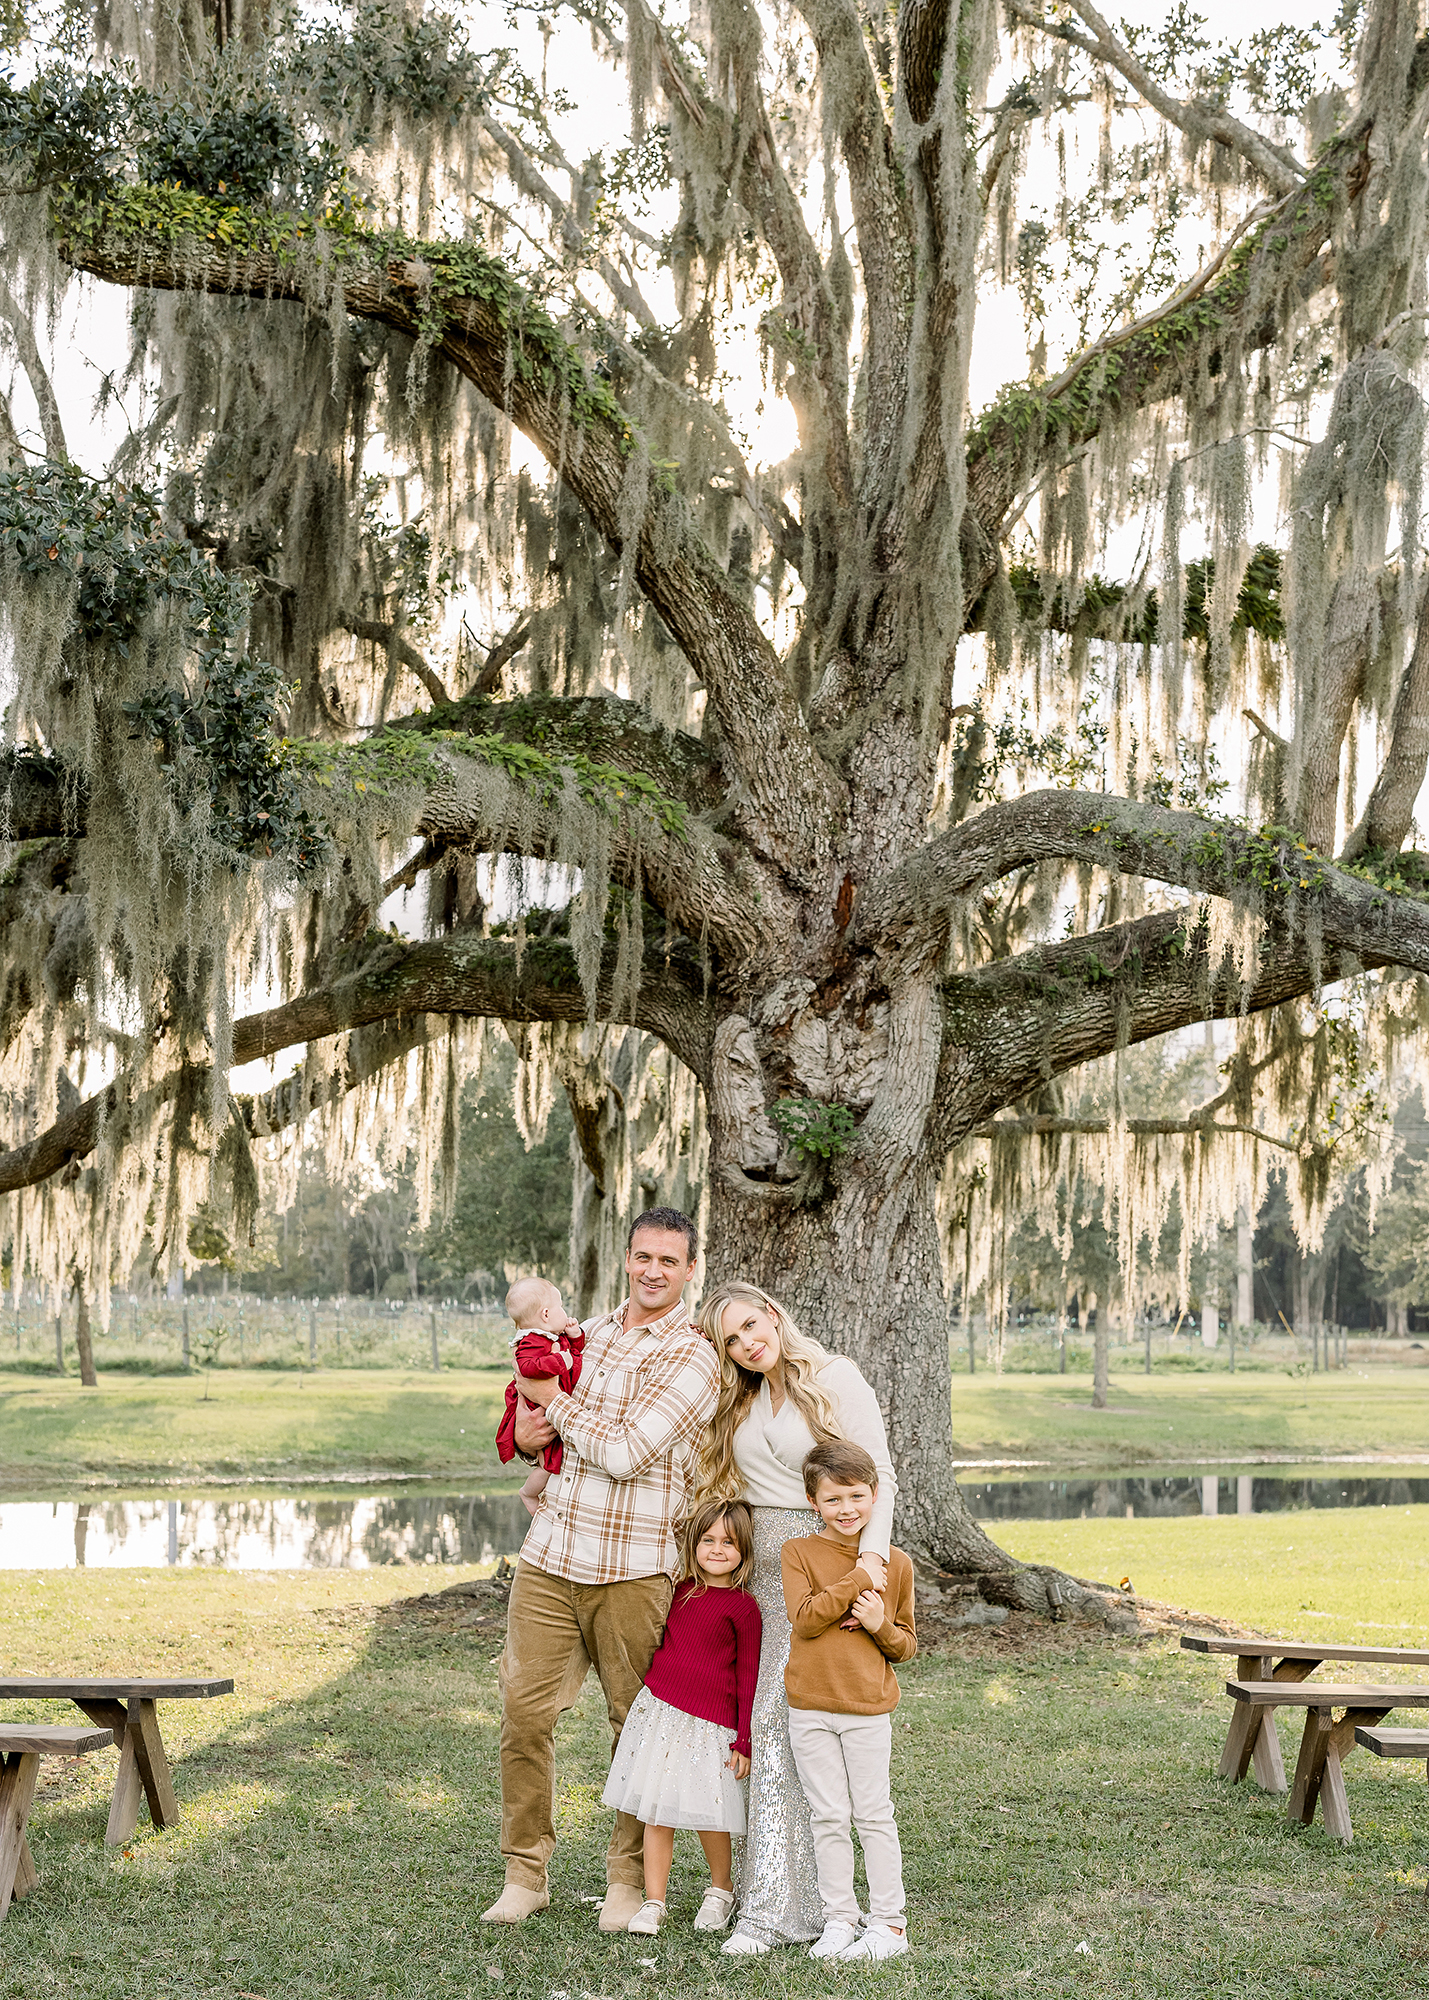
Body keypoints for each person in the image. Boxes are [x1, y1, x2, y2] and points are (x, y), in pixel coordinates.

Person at [481, 1208, 721, 1932]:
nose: (653, 1271)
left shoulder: (694, 1354)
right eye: (642, 1256)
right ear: (626, 1258)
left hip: (638, 1567)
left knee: (632, 1728)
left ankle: (625, 1882)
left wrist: (556, 1406)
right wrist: (529, 1433)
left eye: (668, 1262)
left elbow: (625, 1452)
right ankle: (525, 1874)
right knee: (524, 1717)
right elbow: (531, 1424)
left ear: (687, 1272)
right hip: (552, 1558)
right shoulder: (580, 1334)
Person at [691, 1280, 897, 1956]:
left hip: (821, 1567)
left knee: (784, 1725)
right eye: (732, 1339)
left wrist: (868, 1566)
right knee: (762, 1727)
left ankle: (779, 1913)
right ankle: (784, 1896)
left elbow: (881, 1477)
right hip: (760, 1572)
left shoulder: (836, 1376)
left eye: (752, 1324)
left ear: (773, 1314)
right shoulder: (746, 1396)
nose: (749, 1342)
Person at [782, 1439, 916, 1963]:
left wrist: (880, 1623)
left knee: (873, 1814)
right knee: (828, 1815)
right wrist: (859, 1578)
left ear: (874, 1495)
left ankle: (888, 1924)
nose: (846, 1510)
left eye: (856, 1497)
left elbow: (905, 1645)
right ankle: (840, 1918)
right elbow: (807, 1618)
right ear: (813, 1500)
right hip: (810, 1706)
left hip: (867, 1708)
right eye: (833, 1499)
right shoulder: (799, 1553)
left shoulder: (897, 1564)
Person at [602, 1498, 762, 1936]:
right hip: (663, 1714)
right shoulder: (678, 1590)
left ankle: (721, 1890)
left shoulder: (743, 1608)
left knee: (711, 1813)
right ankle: (653, 1901)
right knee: (658, 1811)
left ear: (744, 1551)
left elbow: (748, 1676)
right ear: (693, 1545)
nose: (716, 1549)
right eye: (707, 1540)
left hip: (711, 1725)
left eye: (728, 1542)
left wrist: (743, 1740)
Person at [495, 1276, 585, 1517]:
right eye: (561, 1307)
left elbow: (575, 1352)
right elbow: (527, 1367)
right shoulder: (531, 1341)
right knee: (548, 1466)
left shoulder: (552, 1336)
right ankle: (528, 1492)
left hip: (553, 1408)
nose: (565, 1312)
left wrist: (575, 1336)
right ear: (546, 1314)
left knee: (555, 1462)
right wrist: (559, 1361)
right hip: (538, 1409)